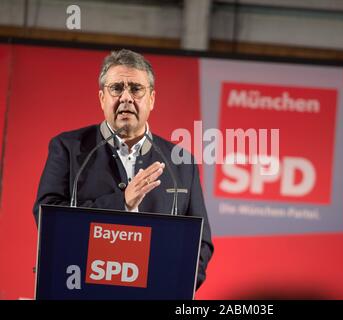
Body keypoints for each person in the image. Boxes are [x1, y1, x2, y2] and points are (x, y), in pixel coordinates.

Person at [33, 49, 213, 289]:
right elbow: (49, 218)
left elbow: (201, 241)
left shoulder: (181, 163)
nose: (126, 97)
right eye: (116, 88)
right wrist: (122, 203)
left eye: (136, 89)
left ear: (151, 99)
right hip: (79, 287)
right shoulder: (68, 147)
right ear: (101, 98)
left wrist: (176, 285)